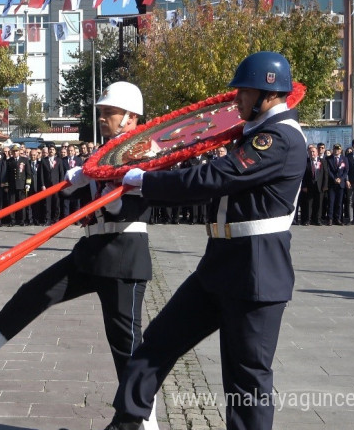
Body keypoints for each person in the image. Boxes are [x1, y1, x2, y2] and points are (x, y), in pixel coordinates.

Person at [0, 82, 158, 429]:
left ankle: (143, 423)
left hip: (123, 253)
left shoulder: (145, 150)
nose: (102, 117)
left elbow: (125, 207)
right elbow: (79, 196)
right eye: (101, 111)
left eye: (109, 112)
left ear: (131, 117)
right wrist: (82, 178)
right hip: (92, 249)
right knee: (33, 293)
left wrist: (111, 185)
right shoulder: (106, 151)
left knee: (126, 347)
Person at [109, 52, 306, 430]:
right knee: (158, 342)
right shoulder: (255, 133)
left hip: (256, 274)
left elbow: (216, 178)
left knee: (246, 378)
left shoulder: (279, 139)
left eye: (244, 93)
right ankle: (127, 423)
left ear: (268, 92)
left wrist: (145, 181)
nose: (236, 101)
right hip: (220, 264)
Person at [301, 144, 327, 226]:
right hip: (309, 186)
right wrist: (304, 186)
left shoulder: (322, 161)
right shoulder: (306, 162)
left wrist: (324, 186)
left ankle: (317, 220)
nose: (312, 153)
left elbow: (326, 174)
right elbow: (303, 175)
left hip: (319, 186)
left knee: (318, 204)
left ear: (317, 152)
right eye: (310, 152)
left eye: (313, 151)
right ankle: (307, 220)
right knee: (309, 204)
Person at [326, 143, 349, 226]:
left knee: (339, 203)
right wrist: (334, 178)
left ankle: (338, 218)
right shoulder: (328, 159)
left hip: (341, 183)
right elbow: (328, 170)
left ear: (341, 150)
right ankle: (330, 219)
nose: (337, 151)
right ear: (333, 150)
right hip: (332, 183)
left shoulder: (344, 159)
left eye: (338, 149)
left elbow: (346, 171)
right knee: (331, 202)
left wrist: (341, 179)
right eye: (335, 149)